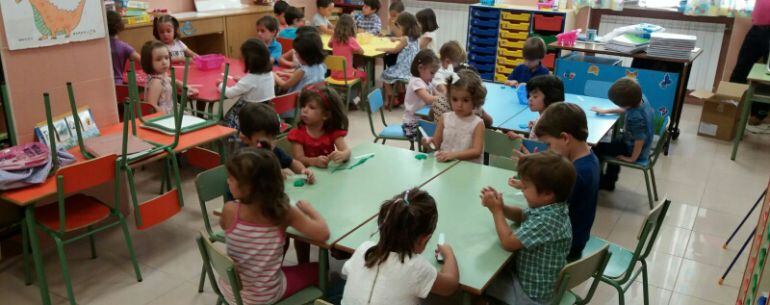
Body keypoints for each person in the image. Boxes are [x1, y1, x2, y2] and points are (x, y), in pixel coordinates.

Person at [219, 148, 329, 305]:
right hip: (264, 297)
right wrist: (310, 210)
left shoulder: (229, 210)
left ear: (249, 187)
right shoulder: (282, 212)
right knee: (320, 269)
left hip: (231, 291)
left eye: (231, 178)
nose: (227, 181)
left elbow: (225, 226)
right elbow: (323, 234)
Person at [481, 152, 574, 305]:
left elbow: (508, 243)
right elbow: (522, 215)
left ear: (547, 194)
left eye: (525, 187)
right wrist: (502, 207)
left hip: (531, 295)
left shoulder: (547, 220)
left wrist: (496, 211)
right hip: (537, 283)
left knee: (482, 283)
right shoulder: (552, 208)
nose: (522, 190)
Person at [341, 188, 459, 305]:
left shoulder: (364, 249)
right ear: (424, 239)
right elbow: (450, 285)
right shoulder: (416, 267)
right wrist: (449, 254)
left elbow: (346, 274)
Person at [533, 103, 599, 261]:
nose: (548, 150)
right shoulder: (590, 159)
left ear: (565, 138)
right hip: (577, 239)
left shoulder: (577, 174)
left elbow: (543, 207)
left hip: (564, 247)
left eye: (549, 144)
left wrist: (530, 179)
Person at [591, 78, 654, 191]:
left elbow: (640, 140)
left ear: (628, 104)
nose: (619, 106)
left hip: (633, 149)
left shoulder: (636, 117)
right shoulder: (641, 99)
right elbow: (627, 109)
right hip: (630, 142)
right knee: (611, 144)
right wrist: (607, 111)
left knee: (596, 148)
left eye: (620, 105)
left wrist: (632, 159)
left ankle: (599, 181)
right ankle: (610, 181)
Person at [236, 103, 316, 183]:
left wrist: (304, 171)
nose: (271, 144)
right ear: (245, 139)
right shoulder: (243, 159)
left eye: (273, 138)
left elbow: (292, 162)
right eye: (263, 142)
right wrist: (275, 174)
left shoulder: (273, 149)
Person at [423, 69, 486, 163]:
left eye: (465, 100)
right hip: (445, 166)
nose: (459, 105)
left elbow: (476, 151)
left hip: (469, 169)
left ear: (475, 100)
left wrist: (453, 155)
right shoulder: (445, 118)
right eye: (455, 99)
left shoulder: (477, 123)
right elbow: (436, 144)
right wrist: (428, 143)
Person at [219, 39, 276, 132]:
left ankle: (231, 138)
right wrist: (242, 81)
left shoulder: (250, 79)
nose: (239, 60)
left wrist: (220, 85)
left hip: (248, 116)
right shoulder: (270, 74)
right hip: (266, 114)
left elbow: (230, 94)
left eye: (241, 58)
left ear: (249, 61)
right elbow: (257, 85)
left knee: (225, 121)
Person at [288, 84, 351, 168]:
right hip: (307, 176)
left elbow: (347, 151)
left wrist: (343, 155)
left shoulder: (332, 132)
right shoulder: (297, 134)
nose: (304, 110)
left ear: (326, 115)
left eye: (311, 107)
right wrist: (314, 161)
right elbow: (298, 159)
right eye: (303, 106)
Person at [729, 2, 770, 127]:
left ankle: (759, 113)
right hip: (757, 27)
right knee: (741, 68)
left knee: (767, 75)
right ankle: (730, 107)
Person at [139, 40, 198, 114]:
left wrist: (187, 87)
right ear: (148, 62)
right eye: (158, 59)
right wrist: (164, 116)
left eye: (166, 58)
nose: (164, 62)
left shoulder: (161, 76)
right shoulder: (156, 82)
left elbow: (172, 80)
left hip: (171, 110)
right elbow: (151, 106)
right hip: (165, 117)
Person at [379, 12, 421, 107]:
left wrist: (382, 49)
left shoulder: (405, 39)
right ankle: (402, 96)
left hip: (403, 70)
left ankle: (391, 99)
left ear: (404, 26)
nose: (399, 28)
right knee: (396, 77)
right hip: (412, 69)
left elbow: (394, 50)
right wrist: (396, 39)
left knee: (384, 75)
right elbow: (403, 40)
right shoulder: (416, 38)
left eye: (399, 26)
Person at [506, 75, 564, 140]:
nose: (530, 99)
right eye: (529, 95)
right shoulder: (549, 117)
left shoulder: (545, 125)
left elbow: (537, 147)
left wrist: (520, 138)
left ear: (550, 97)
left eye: (535, 96)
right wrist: (535, 124)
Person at [402, 49, 440, 141]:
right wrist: (444, 99)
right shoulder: (416, 82)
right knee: (437, 134)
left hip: (421, 120)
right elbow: (428, 99)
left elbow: (437, 94)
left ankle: (429, 151)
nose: (433, 76)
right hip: (411, 125)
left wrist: (443, 95)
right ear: (420, 68)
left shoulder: (426, 81)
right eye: (432, 73)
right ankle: (427, 152)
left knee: (440, 130)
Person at [329, 14, 367, 81]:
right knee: (364, 75)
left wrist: (334, 34)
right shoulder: (351, 40)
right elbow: (362, 52)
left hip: (333, 75)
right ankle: (360, 91)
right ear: (352, 27)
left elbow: (329, 45)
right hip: (348, 75)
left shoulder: (335, 39)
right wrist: (353, 51)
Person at [107, 10, 140, 85]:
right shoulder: (124, 46)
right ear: (119, 26)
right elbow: (141, 61)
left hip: (104, 83)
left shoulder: (100, 46)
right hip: (118, 83)